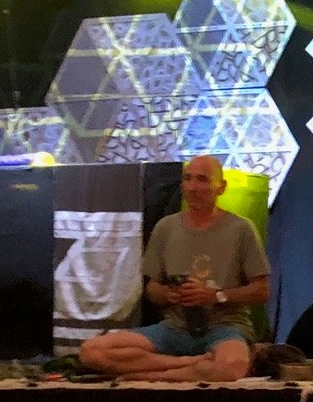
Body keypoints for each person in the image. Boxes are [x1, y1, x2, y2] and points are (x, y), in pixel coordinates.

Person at [78, 155, 270, 382]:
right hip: (174, 329)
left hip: (225, 328)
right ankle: (190, 365)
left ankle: (145, 376)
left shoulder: (241, 229)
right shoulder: (165, 227)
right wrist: (169, 294)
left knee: (230, 365)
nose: (193, 187)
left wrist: (215, 296)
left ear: (221, 187)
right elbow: (152, 289)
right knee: (91, 351)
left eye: (202, 179)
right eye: (187, 179)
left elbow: (261, 291)